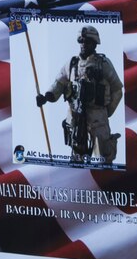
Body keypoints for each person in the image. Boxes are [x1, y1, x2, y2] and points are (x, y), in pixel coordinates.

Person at [35, 25, 124, 164]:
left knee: (103, 156)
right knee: (77, 157)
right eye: (81, 41)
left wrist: (107, 112)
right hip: (76, 117)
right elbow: (59, 83)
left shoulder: (103, 64)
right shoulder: (71, 64)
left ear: (95, 43)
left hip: (97, 117)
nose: (83, 44)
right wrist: (47, 97)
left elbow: (118, 89)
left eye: (87, 41)